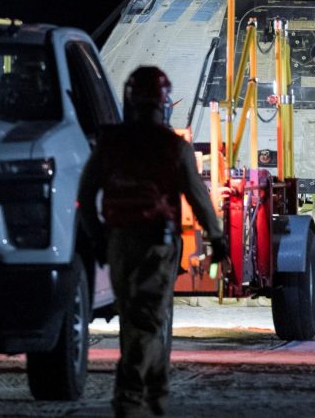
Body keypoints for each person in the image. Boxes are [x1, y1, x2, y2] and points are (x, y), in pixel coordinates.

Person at [77, 65, 228, 418]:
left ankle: (157, 396)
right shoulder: (173, 146)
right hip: (156, 248)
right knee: (148, 322)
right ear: (164, 102)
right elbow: (198, 198)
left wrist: (99, 238)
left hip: (117, 243)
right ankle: (129, 400)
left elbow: (85, 196)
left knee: (137, 319)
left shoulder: (109, 142)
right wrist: (216, 238)